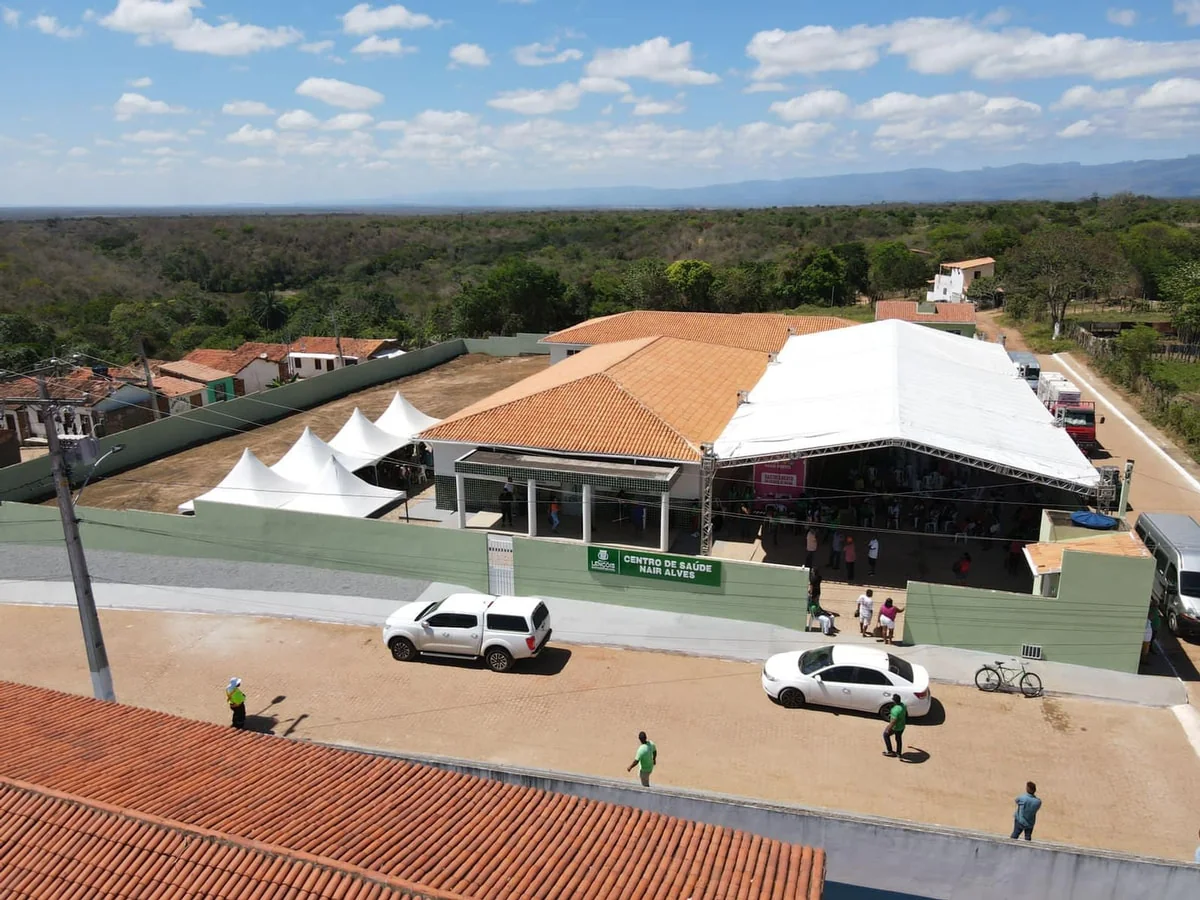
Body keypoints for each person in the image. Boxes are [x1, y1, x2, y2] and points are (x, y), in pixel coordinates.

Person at [883, 693, 906, 758]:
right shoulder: (903, 705)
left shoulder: (895, 710)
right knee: (898, 739)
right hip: (902, 726)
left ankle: (890, 751)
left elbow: (893, 721)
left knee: (885, 735)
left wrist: (888, 728)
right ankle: (899, 753)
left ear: (894, 701)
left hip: (896, 727)